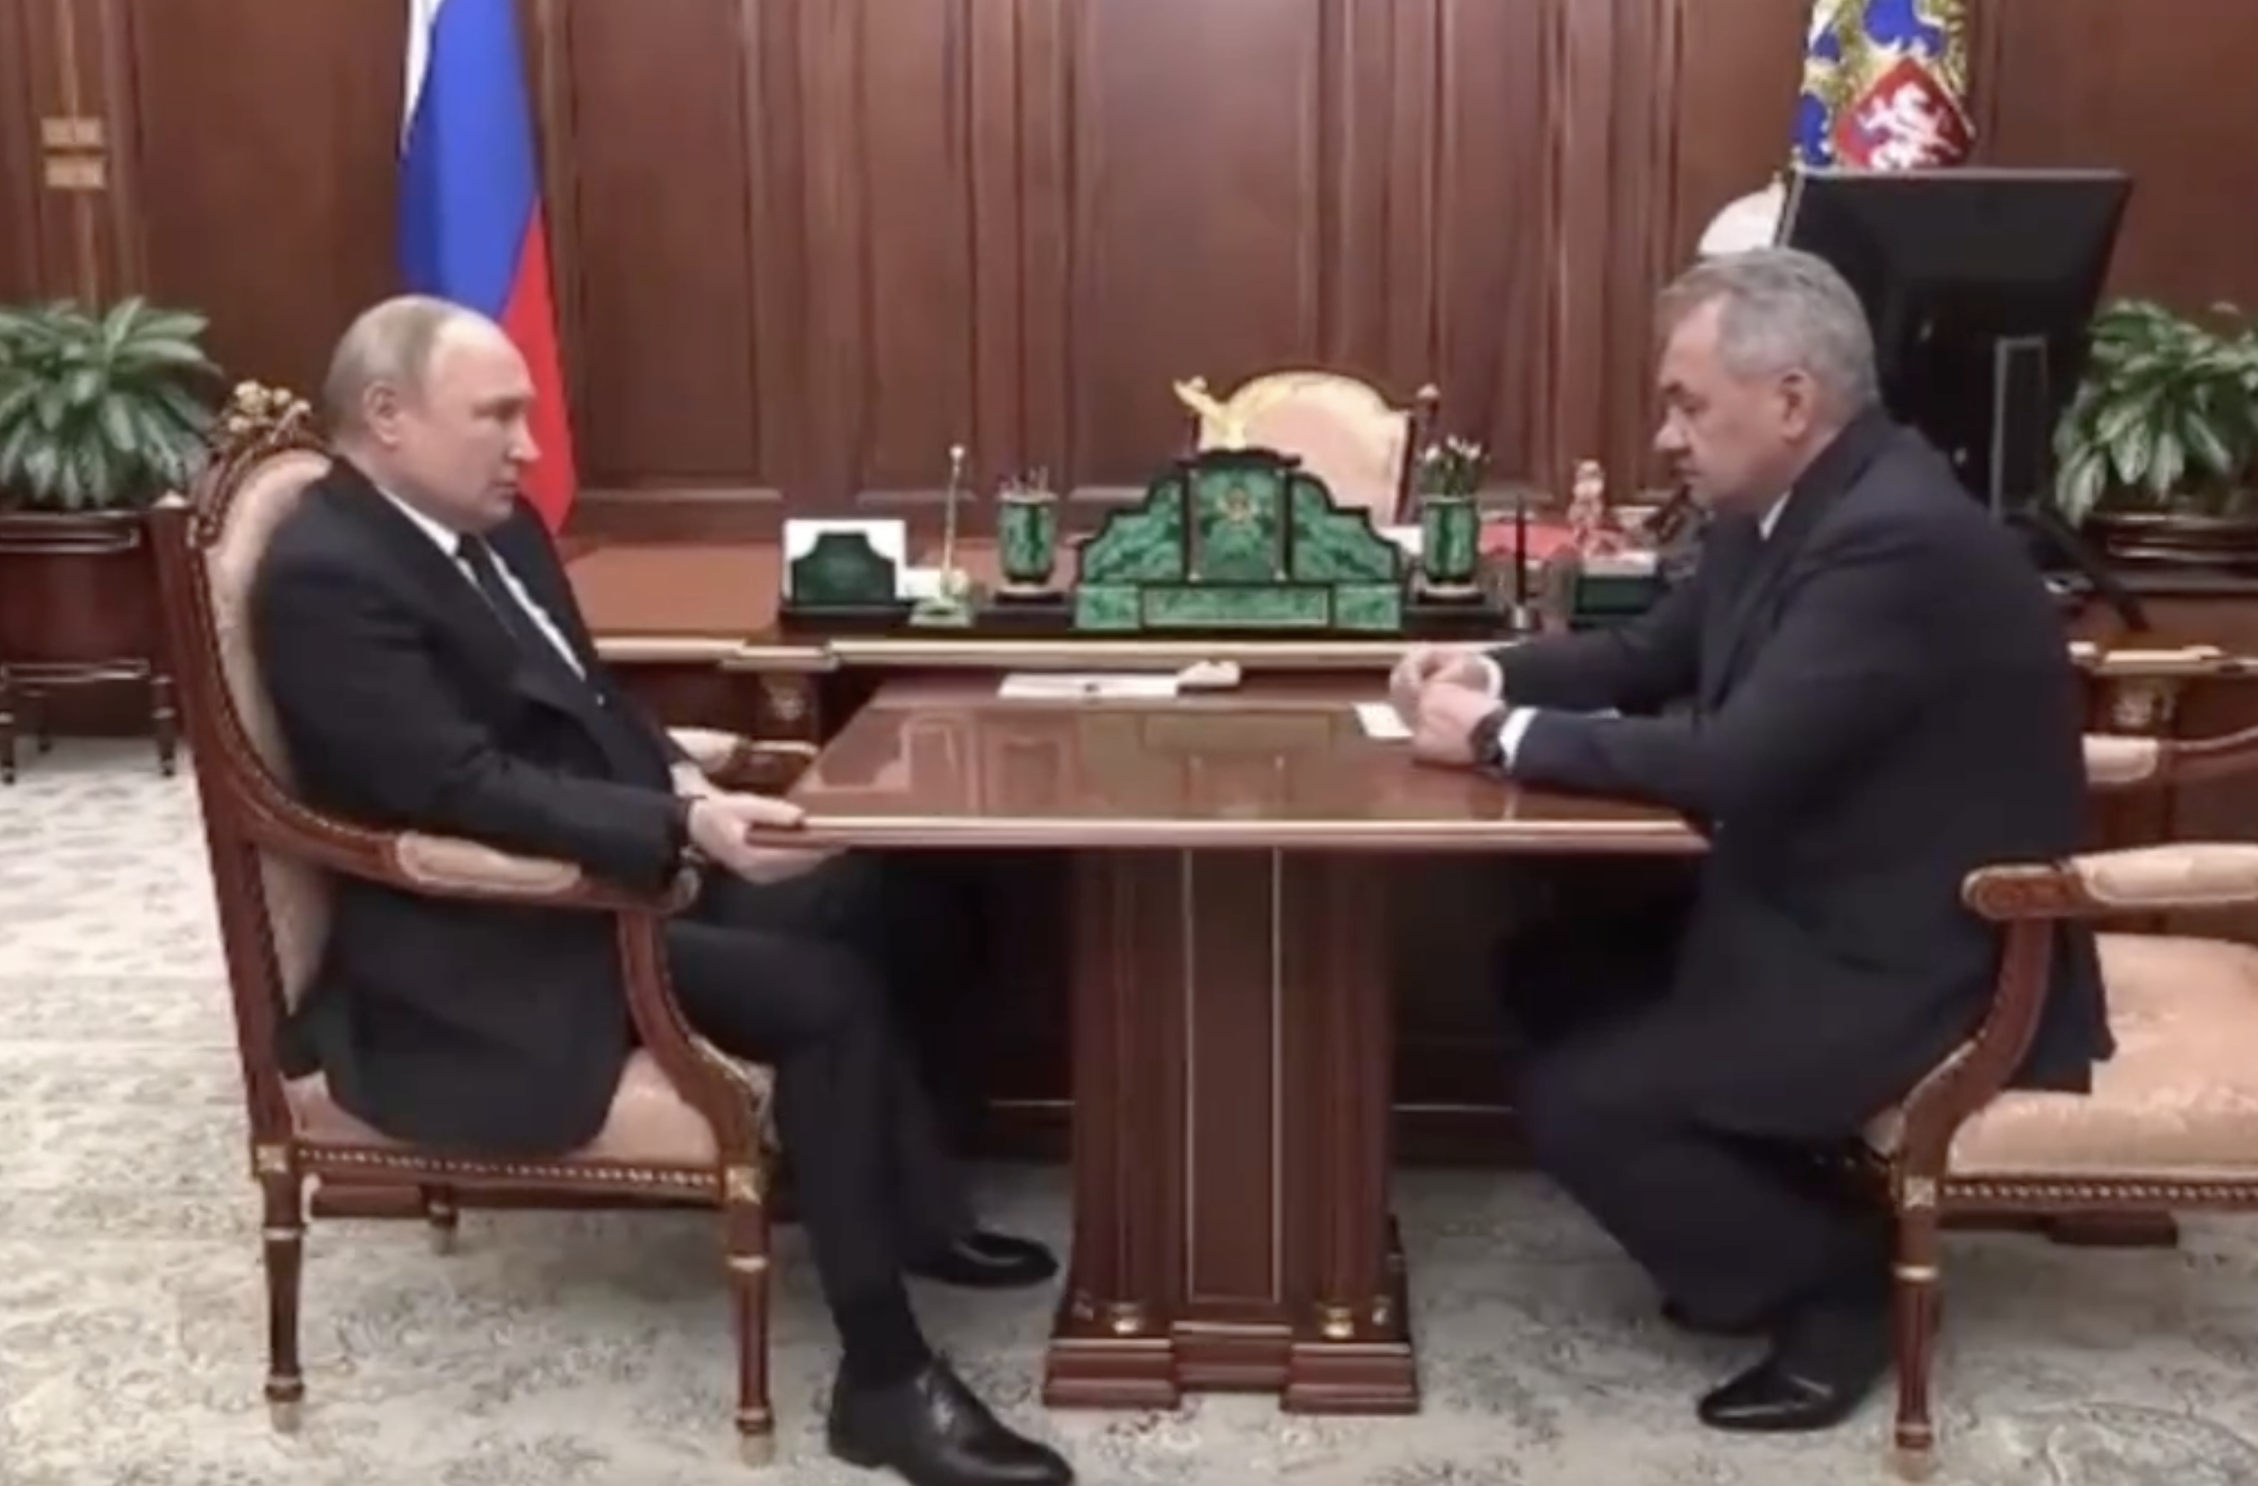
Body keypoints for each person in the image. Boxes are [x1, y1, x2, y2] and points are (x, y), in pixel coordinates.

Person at [251, 295, 1074, 1486]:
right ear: (386, 415)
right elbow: (453, 785)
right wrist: (681, 827)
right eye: (497, 416)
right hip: (487, 933)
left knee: (910, 890)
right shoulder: (327, 575)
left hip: (607, 866)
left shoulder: (492, 529)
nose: (529, 446)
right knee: (824, 994)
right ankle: (884, 1383)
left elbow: (586, 699)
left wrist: (689, 782)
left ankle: (911, 1208)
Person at [1388, 248, 2113, 1434]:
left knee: (1580, 1101)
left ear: (1788, 399)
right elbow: (1646, 658)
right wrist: (1486, 670)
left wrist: (1494, 738)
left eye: (1684, 404)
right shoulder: (1781, 509)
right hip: (1812, 895)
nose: (1664, 436)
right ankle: (1770, 1209)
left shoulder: (1892, 539)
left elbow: (1733, 761)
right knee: (1546, 969)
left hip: (1918, 948)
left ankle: (1835, 1292)